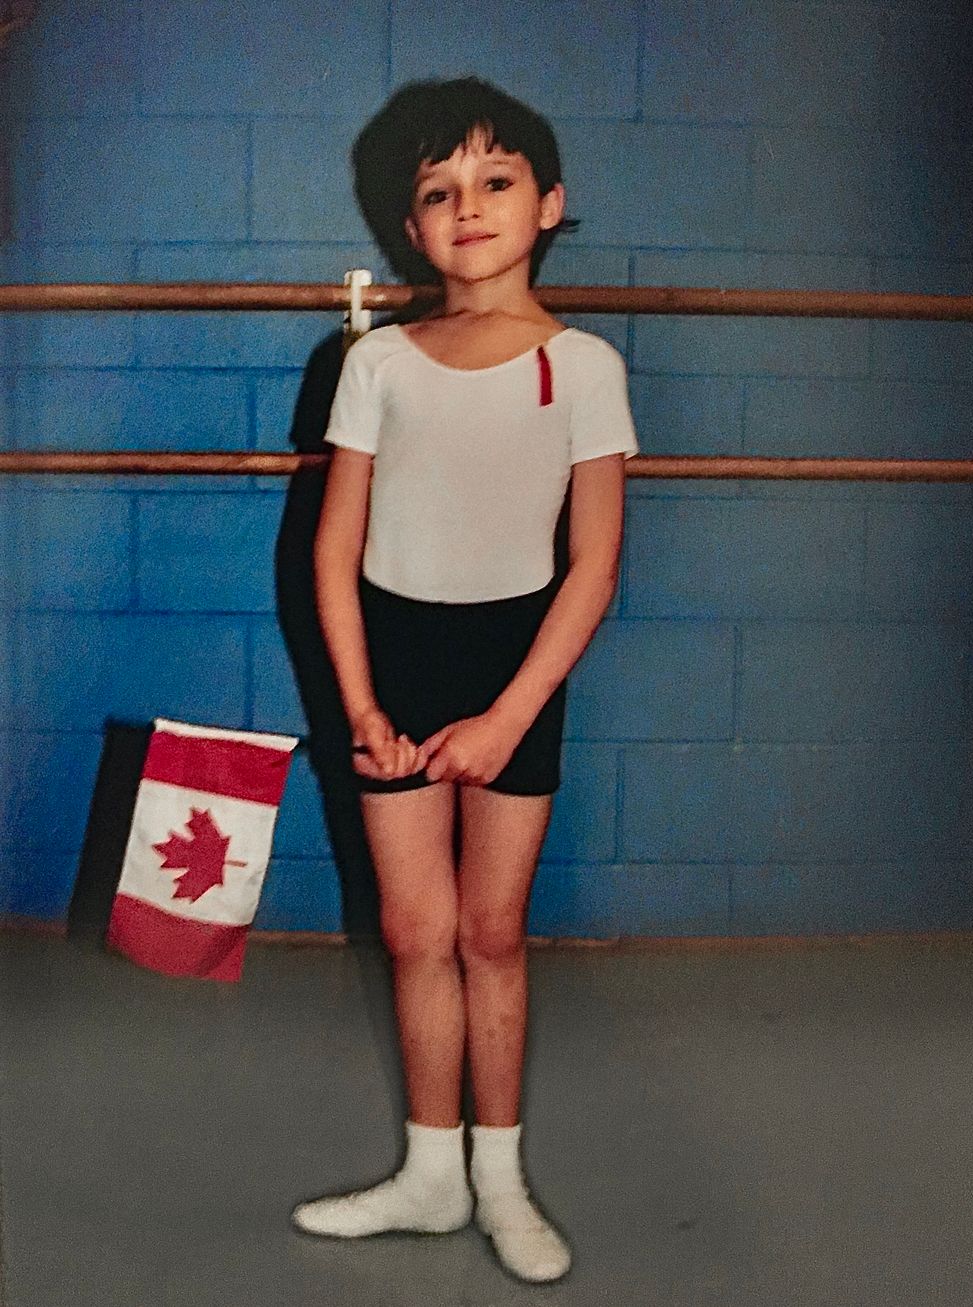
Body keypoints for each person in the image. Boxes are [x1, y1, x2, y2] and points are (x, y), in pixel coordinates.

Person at [291, 76, 639, 1283]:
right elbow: (335, 548)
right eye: (437, 190)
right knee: (413, 929)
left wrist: (507, 713)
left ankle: (498, 1174)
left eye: (495, 181)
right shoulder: (378, 361)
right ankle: (428, 1174)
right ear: (409, 224)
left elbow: (591, 564)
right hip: (391, 655)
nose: (468, 206)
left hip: (515, 666)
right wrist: (362, 708)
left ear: (550, 202)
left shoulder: (582, 365)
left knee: (490, 932)